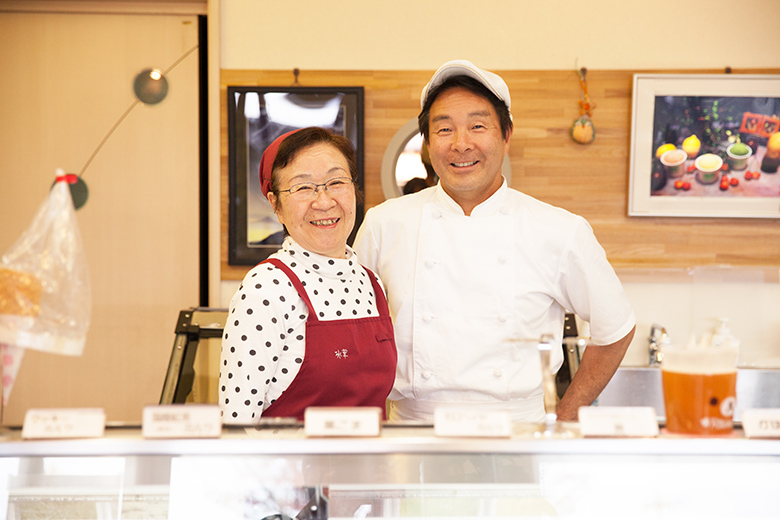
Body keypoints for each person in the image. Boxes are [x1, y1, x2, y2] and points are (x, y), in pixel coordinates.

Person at [353, 60, 636, 423]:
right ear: (427, 142)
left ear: (506, 135)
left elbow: (616, 328)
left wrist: (565, 417)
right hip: (412, 430)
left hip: (518, 434)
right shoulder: (383, 223)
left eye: (477, 126)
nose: (460, 144)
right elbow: (352, 332)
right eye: (444, 129)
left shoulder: (560, 229)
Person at [219, 127, 397, 424]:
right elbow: (236, 423)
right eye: (303, 188)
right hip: (292, 470)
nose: (324, 201)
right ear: (276, 204)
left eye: (336, 182)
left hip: (370, 469)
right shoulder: (266, 288)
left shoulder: (371, 282)